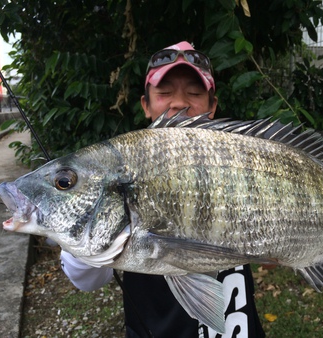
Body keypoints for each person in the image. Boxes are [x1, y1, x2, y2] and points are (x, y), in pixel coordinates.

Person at [61, 41, 265, 338]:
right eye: (164, 92)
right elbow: (87, 279)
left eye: (195, 93)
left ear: (212, 107)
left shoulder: (243, 162)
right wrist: (85, 223)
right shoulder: (121, 167)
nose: (179, 103)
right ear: (146, 105)